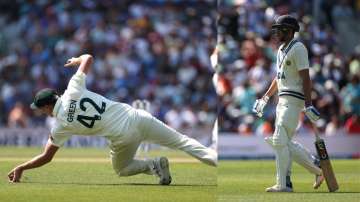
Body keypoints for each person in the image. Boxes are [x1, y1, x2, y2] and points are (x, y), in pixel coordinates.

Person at [8, 54, 217, 185]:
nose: (41, 112)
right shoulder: (72, 88)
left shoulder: (61, 126)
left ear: (47, 106)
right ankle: (217, 159)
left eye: (40, 108)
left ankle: (153, 165)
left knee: (122, 170)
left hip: (123, 137)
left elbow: (46, 157)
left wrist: (21, 167)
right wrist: (76, 60)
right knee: (182, 142)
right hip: (138, 116)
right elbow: (88, 57)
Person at [252, 15, 324, 192]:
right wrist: (266, 97)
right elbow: (278, 78)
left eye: (280, 28)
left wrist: (308, 104)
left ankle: (284, 184)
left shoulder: (299, 48)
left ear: (289, 30)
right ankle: (311, 168)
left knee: (279, 140)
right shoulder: (281, 50)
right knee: (283, 142)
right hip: (281, 100)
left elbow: (306, 78)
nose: (276, 32)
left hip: (294, 100)